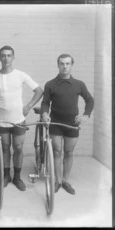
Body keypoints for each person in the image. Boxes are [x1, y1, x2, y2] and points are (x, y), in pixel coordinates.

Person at [0, 45, 43, 191]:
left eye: (9, 55)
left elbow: (39, 90)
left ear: (13, 57)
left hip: (18, 119)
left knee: (18, 147)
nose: (6, 58)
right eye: (3, 55)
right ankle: (6, 175)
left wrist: (28, 106)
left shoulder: (21, 75)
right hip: (2, 120)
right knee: (5, 148)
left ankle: (17, 177)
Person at [41, 54, 94, 195]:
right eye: (62, 63)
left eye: (67, 63)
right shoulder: (50, 84)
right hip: (56, 123)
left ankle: (65, 180)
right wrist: (45, 114)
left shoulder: (79, 84)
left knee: (69, 152)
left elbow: (90, 100)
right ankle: (57, 180)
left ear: (71, 65)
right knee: (57, 151)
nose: (65, 66)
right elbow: (45, 102)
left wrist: (85, 115)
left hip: (72, 123)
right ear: (57, 65)